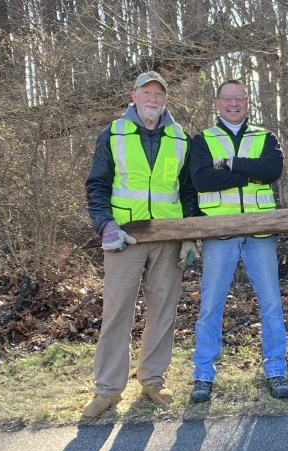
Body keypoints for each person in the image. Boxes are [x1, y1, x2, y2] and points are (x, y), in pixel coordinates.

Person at [84, 71, 199, 417]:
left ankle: (153, 380)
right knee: (116, 312)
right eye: (146, 92)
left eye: (159, 94)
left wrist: (190, 233)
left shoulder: (181, 138)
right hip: (124, 238)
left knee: (163, 311)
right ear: (133, 97)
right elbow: (97, 186)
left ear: (166, 100)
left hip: (167, 237)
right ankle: (107, 390)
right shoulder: (113, 133)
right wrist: (105, 225)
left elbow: (189, 192)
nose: (153, 98)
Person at [188, 80, 288, 401]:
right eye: (227, 99)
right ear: (217, 103)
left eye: (240, 98)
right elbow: (202, 180)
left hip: (260, 232)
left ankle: (276, 370)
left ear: (248, 102)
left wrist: (230, 165)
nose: (234, 104)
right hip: (220, 233)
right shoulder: (203, 140)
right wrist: (250, 172)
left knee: (272, 304)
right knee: (210, 305)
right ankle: (203, 373)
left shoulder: (265, 137)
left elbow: (272, 169)